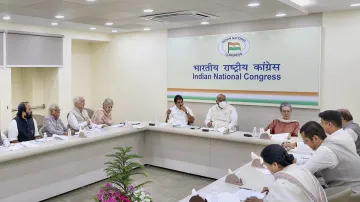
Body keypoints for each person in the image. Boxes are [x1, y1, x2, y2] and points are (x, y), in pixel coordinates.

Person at [285, 111, 360, 193]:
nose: (306, 144)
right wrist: (296, 161)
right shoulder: (344, 135)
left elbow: (303, 173)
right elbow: (317, 161)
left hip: (349, 193)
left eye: (322, 123)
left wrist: (282, 171)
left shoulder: (326, 149)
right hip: (353, 186)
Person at [245, 144, 327, 202]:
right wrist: (273, 189)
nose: (268, 168)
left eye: (266, 165)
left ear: (275, 165)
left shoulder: (281, 184)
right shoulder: (300, 169)